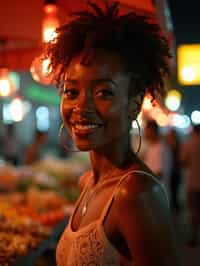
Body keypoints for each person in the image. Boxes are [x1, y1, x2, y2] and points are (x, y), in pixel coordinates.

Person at [45, 1, 180, 265]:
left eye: (104, 92)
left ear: (134, 103)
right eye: (72, 92)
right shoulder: (87, 182)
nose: (81, 107)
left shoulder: (136, 192)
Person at [181, 124, 200, 246]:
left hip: (194, 183)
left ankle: (194, 236)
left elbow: (182, 161)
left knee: (194, 210)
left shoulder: (189, 143)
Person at [143, 120, 173, 191]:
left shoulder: (162, 148)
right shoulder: (149, 147)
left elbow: (161, 173)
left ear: (153, 131)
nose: (145, 133)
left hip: (159, 190)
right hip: (151, 189)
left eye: (147, 131)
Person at [166, 128, 182, 214]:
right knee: (173, 190)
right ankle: (174, 206)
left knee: (174, 190)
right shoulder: (171, 145)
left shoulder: (174, 145)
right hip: (173, 171)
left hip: (175, 171)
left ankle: (175, 207)